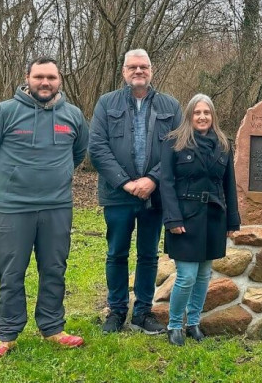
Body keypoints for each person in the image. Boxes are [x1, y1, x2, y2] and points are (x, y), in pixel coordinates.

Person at [0, 57, 89, 359]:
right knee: (10, 271)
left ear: (59, 79)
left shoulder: (73, 115)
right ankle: (6, 334)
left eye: (51, 77)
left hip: (57, 207)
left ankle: (52, 327)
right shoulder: (3, 113)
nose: (45, 82)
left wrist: (60, 175)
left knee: (54, 269)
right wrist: (8, 181)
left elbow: (78, 153)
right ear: (27, 78)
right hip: (13, 208)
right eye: (39, 77)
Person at [89, 49, 181, 334]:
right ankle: (116, 311)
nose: (138, 71)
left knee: (148, 255)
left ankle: (143, 312)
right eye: (133, 67)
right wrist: (126, 183)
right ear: (124, 71)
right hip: (118, 195)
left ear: (151, 70)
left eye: (143, 66)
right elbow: (97, 148)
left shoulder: (170, 105)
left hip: (155, 195)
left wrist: (152, 179)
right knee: (117, 253)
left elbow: (178, 146)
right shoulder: (107, 103)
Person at [159, 93, 240, 346]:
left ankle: (193, 323)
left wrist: (232, 221)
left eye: (206, 112)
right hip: (185, 217)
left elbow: (229, 185)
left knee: (204, 275)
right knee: (186, 276)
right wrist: (172, 219)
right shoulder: (174, 142)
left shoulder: (224, 144)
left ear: (212, 116)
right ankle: (174, 325)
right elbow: (166, 183)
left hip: (214, 217)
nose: (202, 117)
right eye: (197, 112)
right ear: (189, 115)